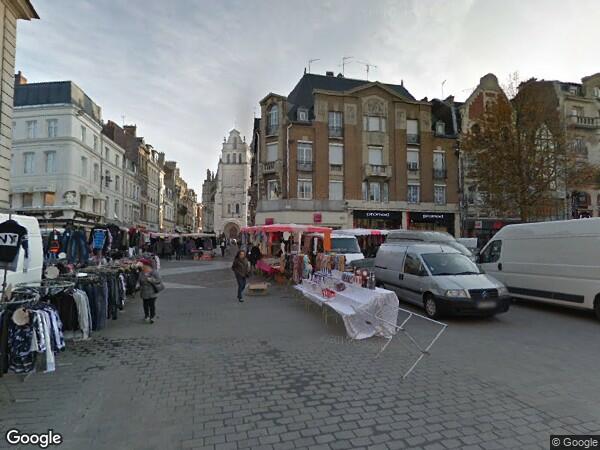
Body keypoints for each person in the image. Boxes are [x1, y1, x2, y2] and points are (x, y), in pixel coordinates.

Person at [139, 259, 164, 323]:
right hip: (144, 291)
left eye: (142, 265)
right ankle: (146, 316)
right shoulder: (141, 272)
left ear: (146, 265)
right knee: (145, 305)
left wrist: (151, 279)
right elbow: (140, 281)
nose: (141, 266)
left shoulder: (154, 272)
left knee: (151, 304)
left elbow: (159, 280)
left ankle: (152, 316)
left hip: (152, 291)